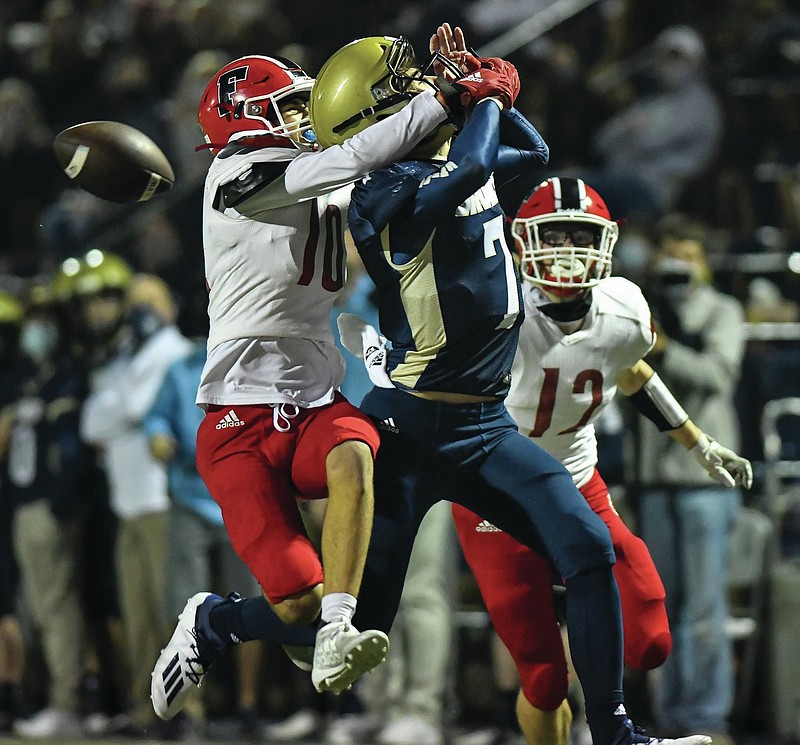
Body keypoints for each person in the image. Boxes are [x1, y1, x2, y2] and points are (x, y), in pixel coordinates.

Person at [312, 31, 710, 745]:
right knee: (358, 616)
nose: (425, 102)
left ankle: (615, 730)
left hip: (486, 428)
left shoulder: (447, 170)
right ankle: (221, 620)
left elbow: (530, 156)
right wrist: (478, 97)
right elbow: (467, 172)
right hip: (409, 422)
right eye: (408, 96)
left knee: (589, 549)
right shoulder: (382, 192)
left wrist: (485, 92)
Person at [149, 45, 472, 720]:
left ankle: (337, 625)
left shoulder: (315, 173)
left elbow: (385, 159)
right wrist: (436, 100)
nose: (306, 115)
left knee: (356, 452)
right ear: (245, 121)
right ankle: (218, 621)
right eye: (289, 106)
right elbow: (352, 157)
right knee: (292, 604)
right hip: (238, 422)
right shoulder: (234, 174)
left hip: (315, 400)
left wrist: (463, 106)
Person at [446, 177, 752, 745]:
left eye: (578, 235)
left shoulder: (624, 309)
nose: (565, 251)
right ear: (521, 242)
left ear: (606, 242)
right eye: (553, 236)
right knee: (543, 677)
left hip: (578, 483)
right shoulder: (491, 307)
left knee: (653, 640)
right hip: (496, 499)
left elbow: (631, 370)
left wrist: (696, 440)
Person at [637, 215, 749, 743]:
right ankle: (669, 719)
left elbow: (717, 376)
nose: (678, 265)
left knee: (704, 607)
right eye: (671, 254)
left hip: (706, 481)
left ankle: (706, 718)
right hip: (654, 478)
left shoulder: (722, 311)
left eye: (689, 255)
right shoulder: (642, 309)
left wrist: (664, 349)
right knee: (660, 603)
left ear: (704, 263)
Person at [81, 271, 194, 733]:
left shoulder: (177, 353)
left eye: (150, 301)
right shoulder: (129, 357)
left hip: (162, 500)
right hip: (127, 502)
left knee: (172, 613)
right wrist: (117, 408)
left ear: (170, 307)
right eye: (135, 302)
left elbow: (131, 409)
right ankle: (146, 707)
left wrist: (116, 407)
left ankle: (186, 710)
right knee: (138, 614)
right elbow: (92, 424)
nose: (140, 310)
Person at [143, 338, 265, 737]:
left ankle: (248, 705)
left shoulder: (260, 358)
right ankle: (189, 708)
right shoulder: (182, 367)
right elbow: (156, 418)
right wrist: (158, 437)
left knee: (251, 602)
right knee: (184, 603)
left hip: (244, 496)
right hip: (192, 497)